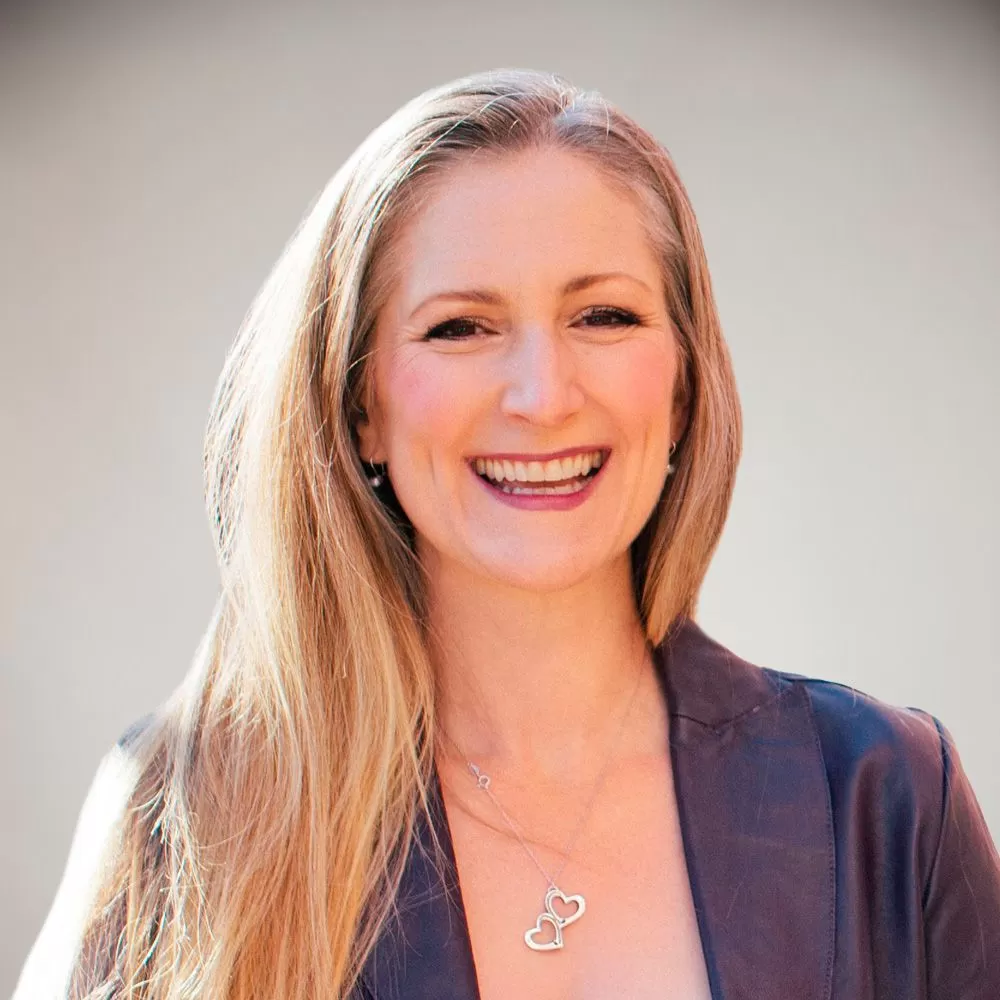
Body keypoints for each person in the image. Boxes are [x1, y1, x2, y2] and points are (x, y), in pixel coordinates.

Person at [14, 67, 1000, 1000]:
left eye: (603, 316)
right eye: (460, 327)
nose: (541, 396)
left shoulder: (883, 792)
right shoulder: (188, 813)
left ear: (684, 377)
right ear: (359, 406)